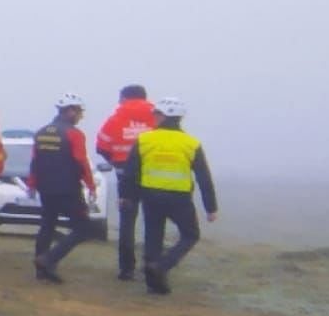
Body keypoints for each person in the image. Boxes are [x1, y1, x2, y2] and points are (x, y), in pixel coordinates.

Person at [123, 97, 217, 295]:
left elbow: (131, 171)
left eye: (156, 114)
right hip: (179, 197)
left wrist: (126, 196)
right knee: (191, 235)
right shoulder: (191, 143)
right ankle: (161, 268)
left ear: (165, 116)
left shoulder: (144, 140)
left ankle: (153, 280)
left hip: (150, 194)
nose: (153, 117)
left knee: (153, 236)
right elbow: (203, 176)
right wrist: (211, 207)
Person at [28, 92, 97, 282]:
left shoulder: (41, 132)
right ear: (71, 111)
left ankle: (41, 271)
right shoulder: (74, 134)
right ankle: (49, 259)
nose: (81, 116)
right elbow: (81, 161)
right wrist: (91, 185)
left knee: (47, 225)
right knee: (83, 229)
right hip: (68, 189)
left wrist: (32, 184)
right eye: (80, 112)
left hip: (45, 188)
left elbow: (35, 161)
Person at [95, 84, 160, 282]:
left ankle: (126, 269)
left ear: (124, 98)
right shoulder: (157, 118)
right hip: (152, 175)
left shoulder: (116, 118)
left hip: (124, 176)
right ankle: (152, 264)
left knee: (127, 222)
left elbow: (101, 146)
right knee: (154, 221)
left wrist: (115, 160)